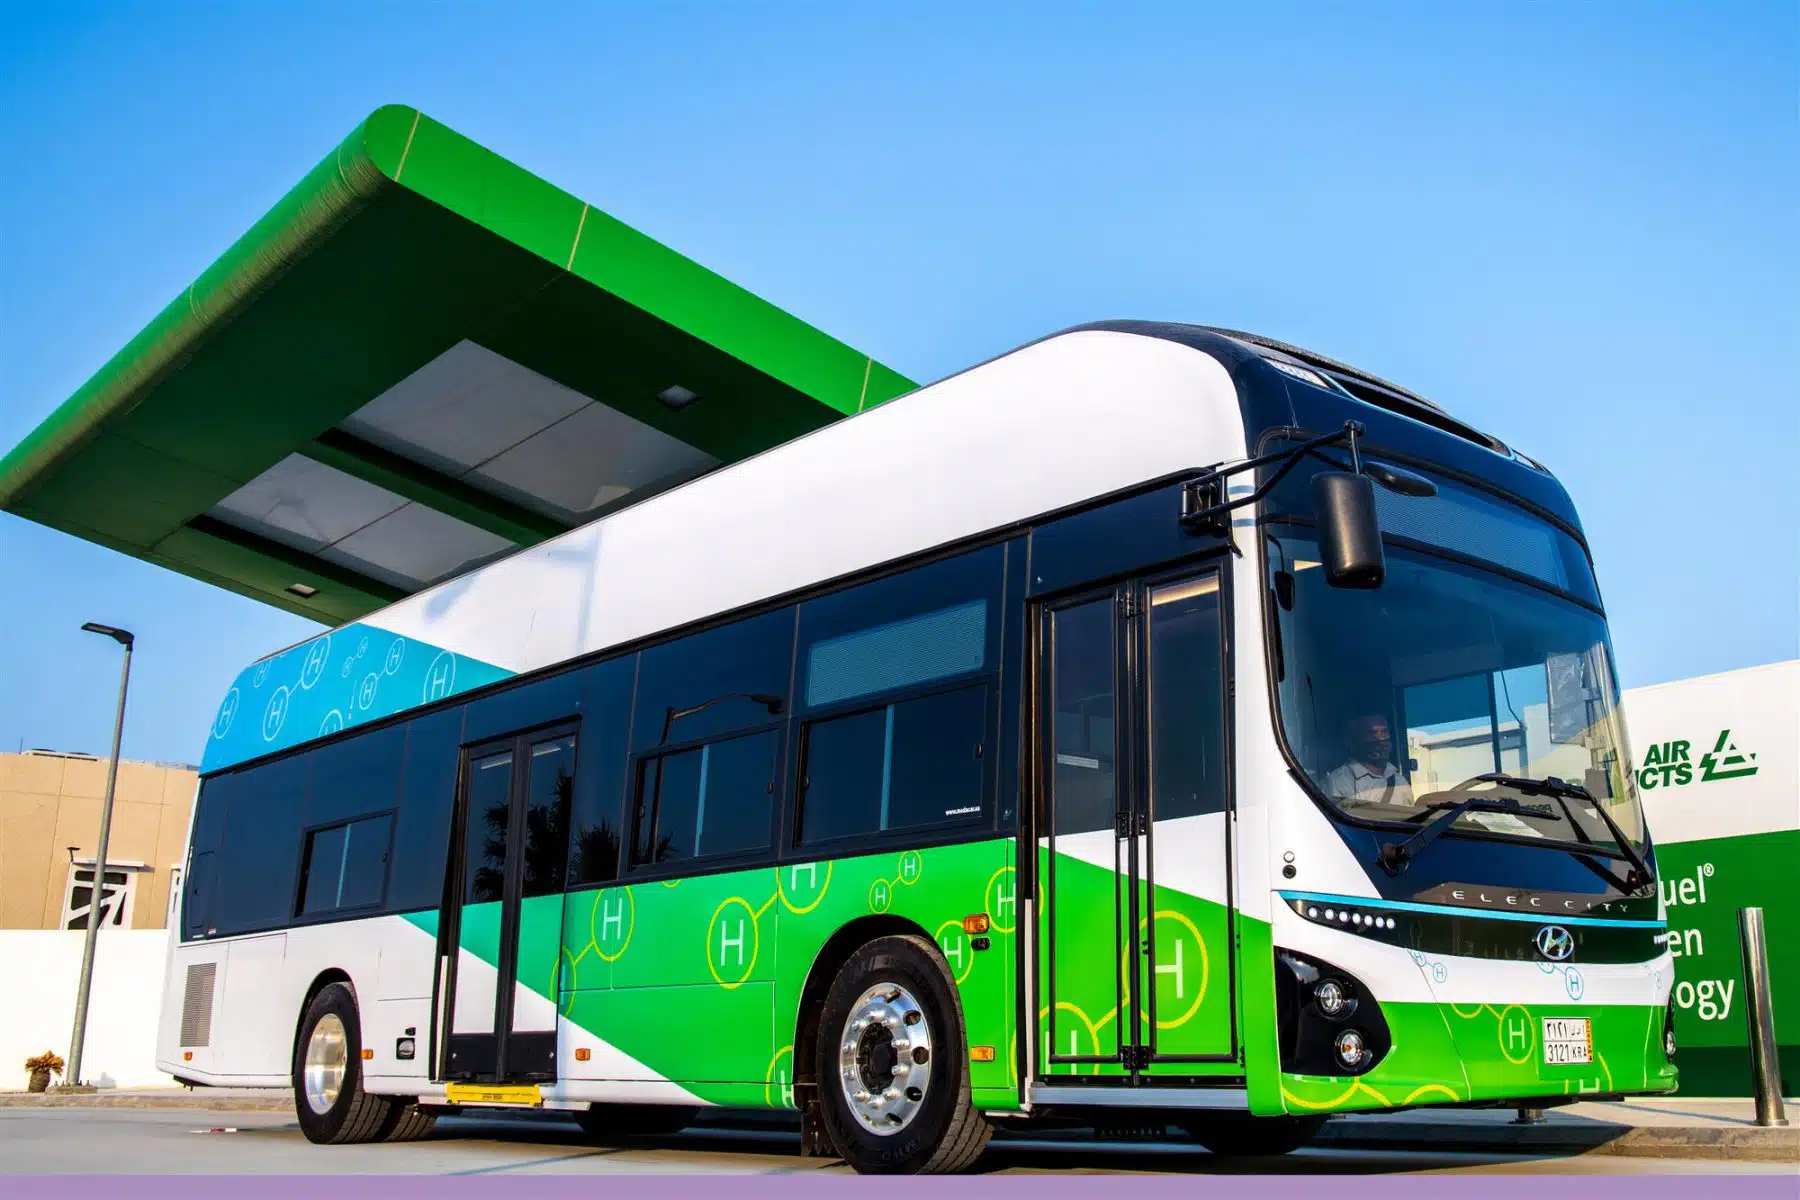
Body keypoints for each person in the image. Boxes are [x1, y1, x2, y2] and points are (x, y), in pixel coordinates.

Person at [1324, 713, 1414, 807]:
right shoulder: (1340, 781)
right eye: (1372, 733)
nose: (1380, 738)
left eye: (1384, 731)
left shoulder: (1400, 781)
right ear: (1354, 741)